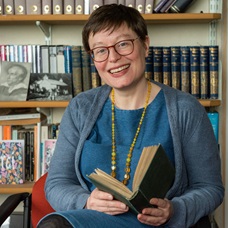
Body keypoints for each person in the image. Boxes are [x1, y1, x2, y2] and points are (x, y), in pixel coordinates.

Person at [38, 4, 224, 228]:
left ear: (145, 45)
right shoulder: (80, 108)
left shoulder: (186, 109)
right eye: (101, 50)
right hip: (93, 221)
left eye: (123, 44)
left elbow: (210, 188)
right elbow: (57, 183)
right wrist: (85, 201)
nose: (113, 58)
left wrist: (176, 210)